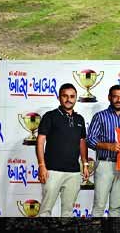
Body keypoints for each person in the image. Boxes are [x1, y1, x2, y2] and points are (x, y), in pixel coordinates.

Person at [36, 83, 88, 216]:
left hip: (74, 172)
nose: (68, 99)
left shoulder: (80, 119)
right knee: (45, 211)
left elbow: (82, 142)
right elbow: (40, 141)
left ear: (76, 98)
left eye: (72, 96)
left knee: (68, 212)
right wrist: (41, 165)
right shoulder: (50, 116)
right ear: (59, 97)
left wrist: (85, 164)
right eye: (65, 96)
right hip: (52, 171)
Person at [86, 85, 120, 217]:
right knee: (99, 207)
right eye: (115, 96)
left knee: (116, 208)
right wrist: (109, 146)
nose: (118, 100)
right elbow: (90, 140)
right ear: (109, 97)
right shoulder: (100, 116)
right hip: (105, 164)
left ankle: (113, 227)